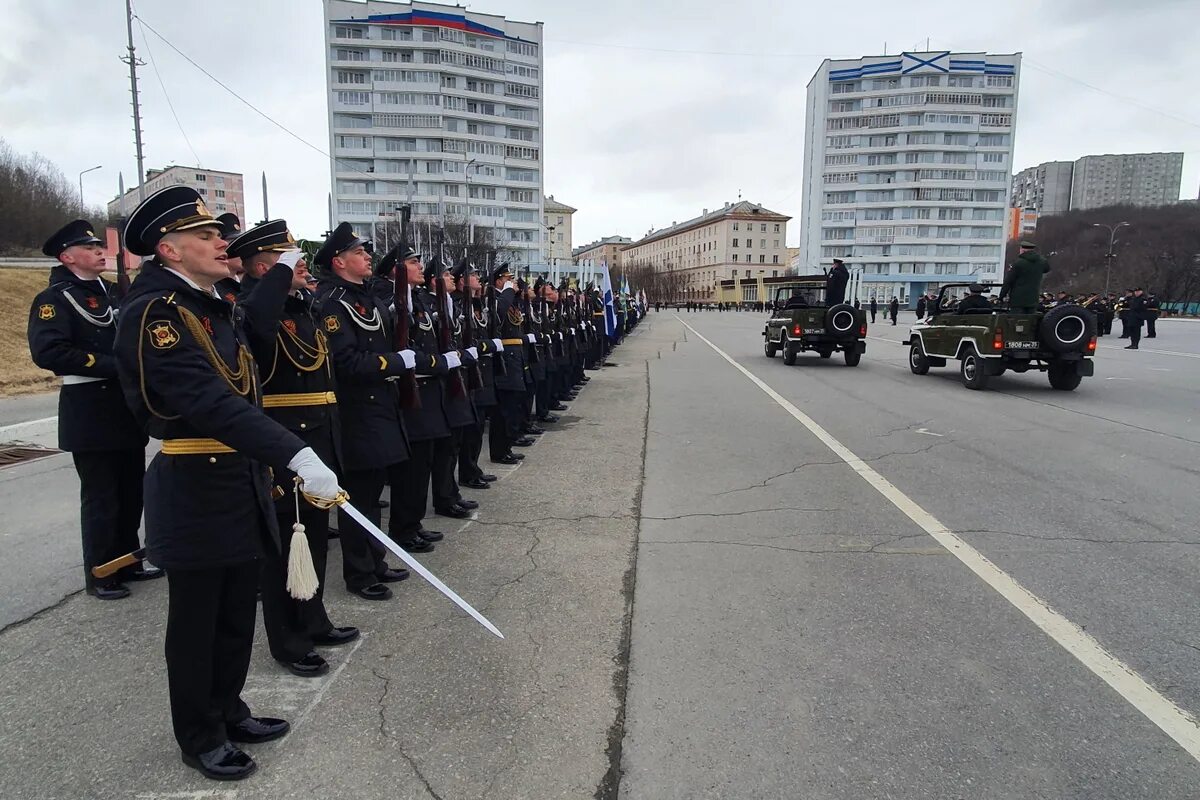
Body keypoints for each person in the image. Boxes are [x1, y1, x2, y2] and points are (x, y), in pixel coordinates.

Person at [114, 186, 341, 781]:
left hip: (241, 476)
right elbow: (208, 401)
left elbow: (257, 353)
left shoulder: (216, 306)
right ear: (169, 249)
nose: (222, 243)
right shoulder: (156, 314)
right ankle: (200, 733)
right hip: (194, 482)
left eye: (220, 235)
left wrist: (281, 271)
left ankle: (229, 708)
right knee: (197, 623)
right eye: (207, 236)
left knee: (239, 610)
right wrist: (293, 452)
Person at [227, 219, 359, 678]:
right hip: (284, 438)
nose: (302, 266)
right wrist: (279, 275)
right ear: (265, 267)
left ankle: (314, 619)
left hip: (320, 433)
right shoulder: (251, 306)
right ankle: (289, 641)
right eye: (289, 261)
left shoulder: (302, 306)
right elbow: (259, 325)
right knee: (286, 546)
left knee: (316, 539)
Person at [28, 219, 160, 600]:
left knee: (131, 491)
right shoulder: (54, 299)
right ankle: (101, 572)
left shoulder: (115, 291)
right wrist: (114, 366)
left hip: (124, 408)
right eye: (90, 248)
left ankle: (128, 562)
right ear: (68, 257)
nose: (101, 251)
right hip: (89, 409)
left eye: (100, 246)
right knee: (103, 497)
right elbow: (49, 352)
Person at [315, 223, 417, 601]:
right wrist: (395, 362)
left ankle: (375, 561)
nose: (367, 256)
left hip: (379, 409)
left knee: (372, 494)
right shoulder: (331, 303)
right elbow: (345, 362)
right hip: (356, 412)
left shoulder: (366, 299)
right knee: (357, 497)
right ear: (339, 262)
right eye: (359, 253)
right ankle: (359, 573)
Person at [999, 241, 1050, 313]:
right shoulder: (1041, 261)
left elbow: (1008, 281)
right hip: (1033, 299)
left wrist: (1002, 296)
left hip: (1018, 300)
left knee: (1016, 321)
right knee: (1030, 321)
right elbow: (1047, 269)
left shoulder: (1018, 263)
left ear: (1022, 250)